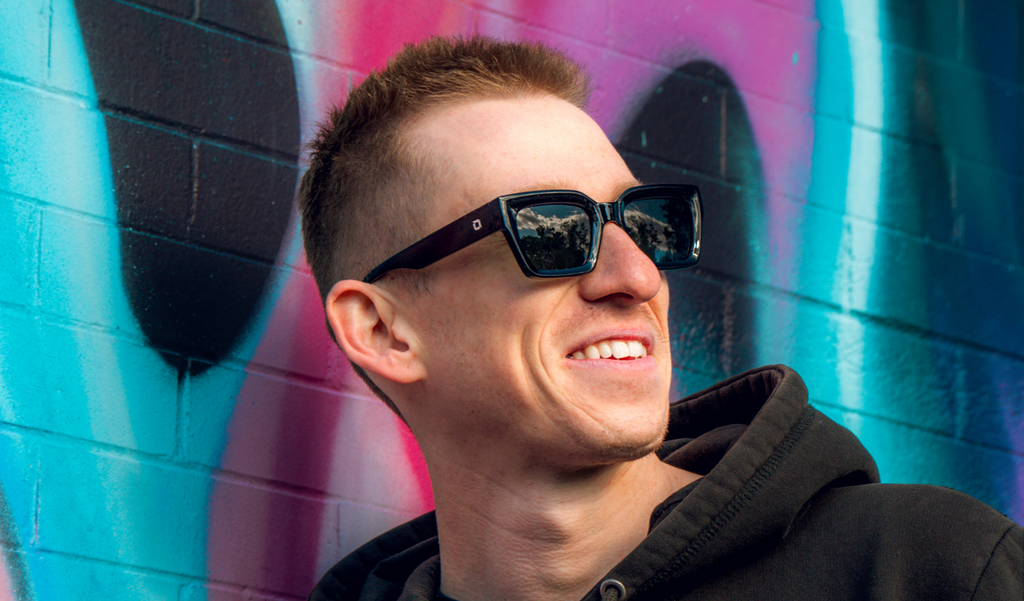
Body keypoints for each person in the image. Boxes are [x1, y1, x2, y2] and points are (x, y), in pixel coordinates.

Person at [298, 36, 1022, 601]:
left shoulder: (928, 571)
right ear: (384, 330)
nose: (638, 277)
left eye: (646, 224)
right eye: (553, 229)